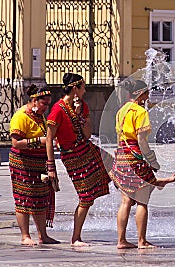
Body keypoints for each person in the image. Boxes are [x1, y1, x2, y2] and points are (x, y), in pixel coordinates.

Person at [109, 79, 175, 249]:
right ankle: (141, 241)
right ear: (139, 94)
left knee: (125, 201)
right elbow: (141, 140)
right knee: (142, 201)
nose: (148, 96)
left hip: (122, 155)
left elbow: (119, 137)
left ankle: (121, 240)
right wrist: (151, 160)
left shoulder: (121, 111)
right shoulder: (140, 112)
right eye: (146, 93)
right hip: (134, 156)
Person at [46, 73, 111, 247]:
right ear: (75, 88)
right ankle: (75, 238)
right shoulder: (57, 109)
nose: (85, 90)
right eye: (83, 87)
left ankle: (131, 196)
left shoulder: (82, 105)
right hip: (72, 156)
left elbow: (88, 134)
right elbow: (49, 139)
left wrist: (79, 115)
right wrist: (51, 166)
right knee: (86, 197)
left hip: (87, 149)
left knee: (114, 165)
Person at [9, 84, 59, 246]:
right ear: (34, 101)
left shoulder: (39, 117)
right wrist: (39, 141)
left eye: (48, 104)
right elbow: (16, 143)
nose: (47, 107)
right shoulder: (21, 116)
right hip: (23, 163)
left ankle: (42, 235)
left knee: (40, 198)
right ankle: (25, 236)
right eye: (44, 103)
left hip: (38, 163)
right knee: (24, 198)